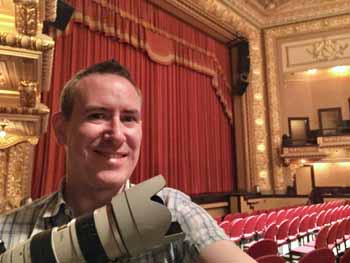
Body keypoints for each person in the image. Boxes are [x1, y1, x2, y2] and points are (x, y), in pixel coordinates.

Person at [0, 60, 255, 262]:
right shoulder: (7, 230)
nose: (117, 134)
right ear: (61, 128)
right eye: (97, 115)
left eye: (129, 118)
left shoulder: (171, 209)